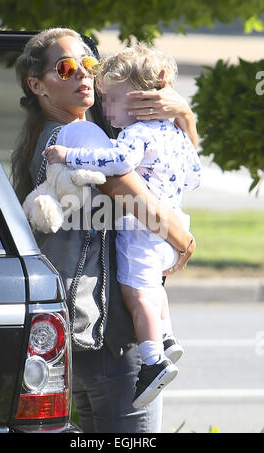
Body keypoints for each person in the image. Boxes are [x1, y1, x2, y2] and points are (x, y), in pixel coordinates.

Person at [11, 27, 197, 433]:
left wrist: (181, 113)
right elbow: (140, 201)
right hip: (112, 333)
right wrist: (184, 242)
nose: (83, 75)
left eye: (88, 65)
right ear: (37, 86)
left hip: (83, 326)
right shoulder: (83, 134)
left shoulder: (47, 135)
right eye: (66, 68)